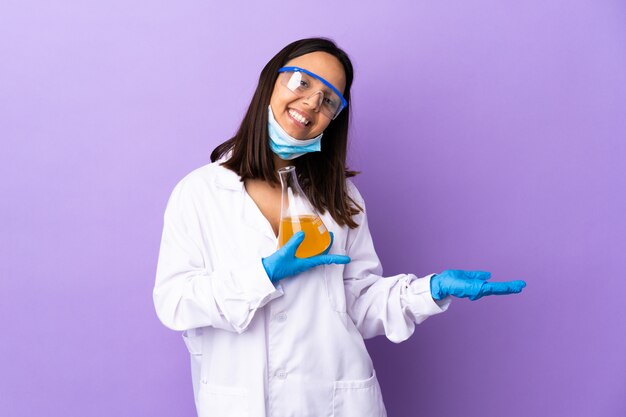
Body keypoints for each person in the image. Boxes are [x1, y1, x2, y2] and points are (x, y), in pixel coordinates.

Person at [153, 37, 526, 417]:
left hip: (334, 402)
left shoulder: (341, 199)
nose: (312, 102)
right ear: (271, 81)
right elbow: (174, 302)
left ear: (334, 118)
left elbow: (357, 304)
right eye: (302, 82)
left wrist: (428, 290)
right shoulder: (199, 192)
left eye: (329, 99)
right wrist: (262, 275)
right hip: (241, 402)